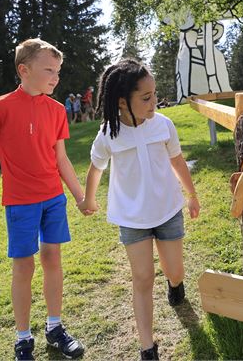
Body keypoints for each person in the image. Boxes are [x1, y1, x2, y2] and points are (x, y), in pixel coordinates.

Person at [0, 38, 89, 361]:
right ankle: (23, 339)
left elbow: (62, 159)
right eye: (48, 70)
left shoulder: (57, 110)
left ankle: (55, 328)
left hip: (53, 198)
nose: (55, 77)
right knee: (23, 266)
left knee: (53, 258)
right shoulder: (1, 106)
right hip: (20, 202)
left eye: (58, 71)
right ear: (24, 70)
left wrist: (79, 196)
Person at [80, 59, 200, 361]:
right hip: (132, 217)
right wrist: (88, 199)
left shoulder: (163, 125)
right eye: (146, 98)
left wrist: (192, 194)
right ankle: (147, 347)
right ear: (122, 102)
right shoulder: (109, 133)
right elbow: (96, 169)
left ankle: (176, 285)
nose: (154, 103)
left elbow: (177, 161)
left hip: (168, 209)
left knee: (175, 270)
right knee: (143, 277)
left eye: (154, 94)